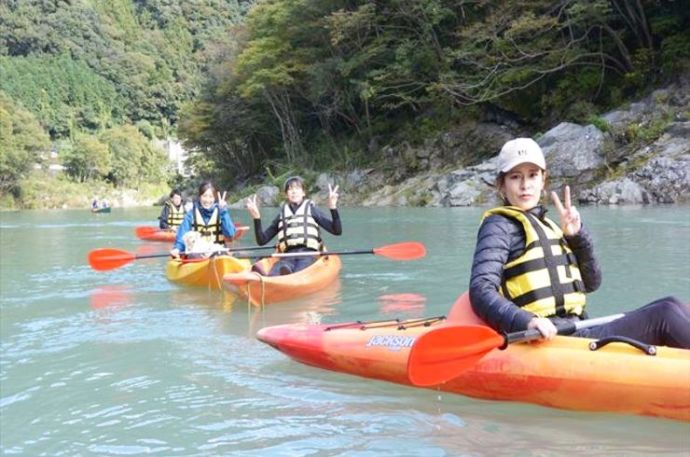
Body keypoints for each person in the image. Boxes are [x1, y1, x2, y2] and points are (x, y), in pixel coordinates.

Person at [469, 137, 690, 349]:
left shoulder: (549, 225)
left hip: (576, 328)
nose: (525, 185)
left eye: (532, 175)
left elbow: (592, 282)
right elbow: (481, 289)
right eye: (515, 177)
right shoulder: (498, 225)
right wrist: (526, 321)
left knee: (671, 304)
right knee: (665, 316)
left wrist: (577, 238)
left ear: (543, 180)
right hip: (552, 339)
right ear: (502, 184)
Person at [245, 176, 342, 276]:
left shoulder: (312, 210)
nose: (294, 191)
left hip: (308, 254)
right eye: (290, 189)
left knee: (300, 269)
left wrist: (333, 207)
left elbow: (337, 230)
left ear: (303, 193)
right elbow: (262, 240)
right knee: (280, 267)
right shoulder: (282, 215)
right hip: (287, 256)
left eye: (297, 188)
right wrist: (257, 218)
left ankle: (289, 276)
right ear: (287, 194)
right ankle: (274, 275)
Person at [170, 181, 236, 259]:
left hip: (218, 253)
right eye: (204, 196)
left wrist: (223, 212)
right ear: (200, 196)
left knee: (221, 254)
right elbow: (182, 235)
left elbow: (230, 235)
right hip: (197, 254)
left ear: (214, 198)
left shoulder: (221, 212)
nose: (207, 200)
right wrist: (177, 249)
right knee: (193, 255)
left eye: (211, 197)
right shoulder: (190, 215)